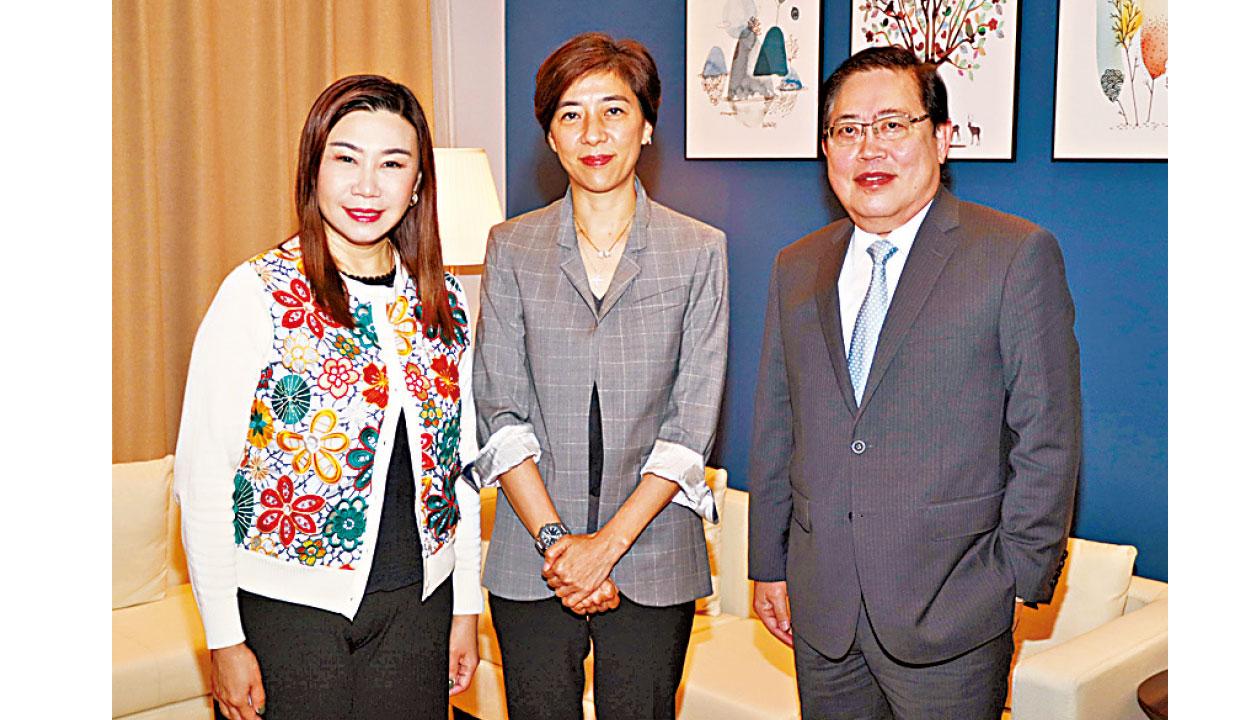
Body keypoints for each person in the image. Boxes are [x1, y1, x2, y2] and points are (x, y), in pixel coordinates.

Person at [747, 46, 1081, 719]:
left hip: (954, 614)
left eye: (893, 124)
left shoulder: (1014, 254)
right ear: (826, 147)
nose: (869, 148)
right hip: (822, 610)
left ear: (942, 137)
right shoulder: (796, 265)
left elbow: (1048, 436)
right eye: (848, 129)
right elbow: (777, 425)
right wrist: (768, 564)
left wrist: (1016, 577)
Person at [174, 75, 480, 720]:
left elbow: (463, 471)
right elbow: (203, 479)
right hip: (286, 612)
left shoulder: (444, 300)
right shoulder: (258, 292)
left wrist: (465, 606)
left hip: (418, 606)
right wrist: (224, 639)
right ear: (313, 169)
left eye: (392, 164)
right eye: (346, 159)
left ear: (418, 183)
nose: (367, 186)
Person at [470, 32, 728, 720]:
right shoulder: (511, 246)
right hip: (534, 557)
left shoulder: (698, 249)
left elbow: (690, 427)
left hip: (654, 552)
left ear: (646, 126)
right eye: (571, 114)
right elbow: (499, 413)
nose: (593, 133)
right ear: (550, 136)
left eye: (614, 110)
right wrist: (560, 547)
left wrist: (604, 551)